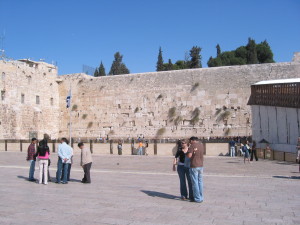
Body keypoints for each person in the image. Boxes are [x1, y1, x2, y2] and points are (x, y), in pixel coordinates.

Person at [186, 137, 204, 203]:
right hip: (201, 165)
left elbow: (189, 156)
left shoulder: (192, 146)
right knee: (200, 182)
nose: (190, 142)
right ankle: (201, 197)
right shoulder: (201, 145)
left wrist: (186, 153)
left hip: (194, 166)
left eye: (190, 141)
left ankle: (197, 198)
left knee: (195, 183)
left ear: (193, 140)